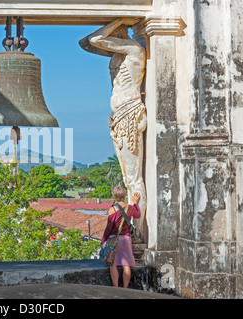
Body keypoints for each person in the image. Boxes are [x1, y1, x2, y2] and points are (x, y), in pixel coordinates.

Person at [80, 19, 147, 243]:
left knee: (133, 181)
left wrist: (119, 19)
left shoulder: (133, 49)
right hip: (119, 118)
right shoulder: (119, 52)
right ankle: (134, 229)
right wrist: (114, 22)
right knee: (129, 179)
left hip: (129, 115)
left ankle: (137, 233)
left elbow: (94, 40)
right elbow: (86, 43)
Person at [101, 186, 141, 288]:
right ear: (124, 195)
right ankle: (125, 288)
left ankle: (116, 288)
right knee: (126, 265)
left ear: (114, 196)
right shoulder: (130, 208)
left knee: (113, 264)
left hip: (114, 239)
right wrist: (135, 203)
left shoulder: (112, 210)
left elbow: (109, 228)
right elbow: (138, 215)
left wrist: (104, 240)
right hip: (126, 239)